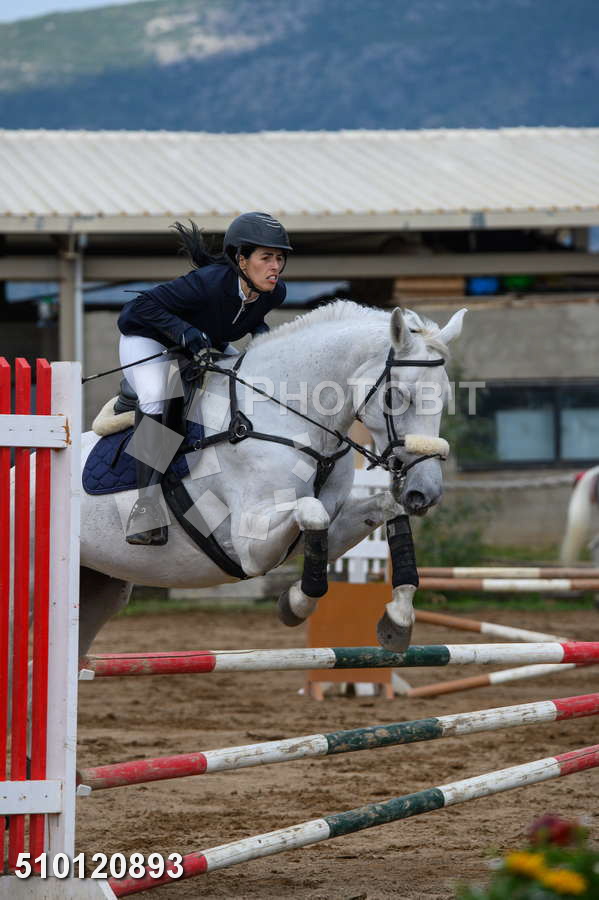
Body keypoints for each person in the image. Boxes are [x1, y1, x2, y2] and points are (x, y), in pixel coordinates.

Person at [117, 212, 292, 546]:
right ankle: (146, 505)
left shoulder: (274, 292)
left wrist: (264, 337)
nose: (275, 267)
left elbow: (249, 318)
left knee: (245, 381)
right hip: (147, 339)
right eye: (266, 258)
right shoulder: (207, 283)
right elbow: (137, 309)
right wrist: (184, 332)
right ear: (242, 260)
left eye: (280, 258)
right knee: (157, 395)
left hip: (202, 342)